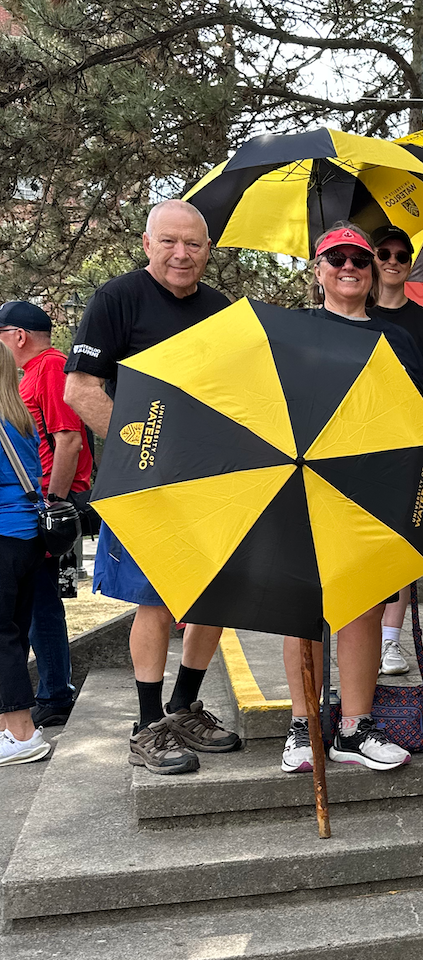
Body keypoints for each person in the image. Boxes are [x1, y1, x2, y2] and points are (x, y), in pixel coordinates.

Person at [64, 199, 240, 774]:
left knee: (214, 596)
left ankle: (185, 706)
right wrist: (144, 452)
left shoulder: (224, 312)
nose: (181, 254)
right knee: (156, 600)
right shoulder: (117, 299)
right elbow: (82, 390)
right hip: (143, 482)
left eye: (193, 244)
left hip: (210, 479)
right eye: (169, 242)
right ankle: (146, 726)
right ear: (147, 245)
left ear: (208, 251)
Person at [279, 222, 423, 776]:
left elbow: (416, 418)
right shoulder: (293, 329)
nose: (348, 267)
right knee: (301, 610)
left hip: (370, 483)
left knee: (364, 606)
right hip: (301, 482)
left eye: (360, 259)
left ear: (373, 272)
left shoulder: (396, 339)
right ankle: (303, 727)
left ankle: (354, 725)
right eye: (336, 258)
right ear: (317, 270)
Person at [0, 301, 92, 727]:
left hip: (48, 504)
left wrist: (51, 503)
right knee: (35, 602)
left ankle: (55, 692)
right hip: (37, 504)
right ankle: (50, 692)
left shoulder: (52, 368)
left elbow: (69, 438)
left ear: (18, 336)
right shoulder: (30, 375)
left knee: (42, 604)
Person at [368, 224, 423, 680]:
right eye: (384, 252)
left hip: (412, 447)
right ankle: (357, 637)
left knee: (402, 547)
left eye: (403, 253)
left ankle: (389, 643)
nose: (394, 260)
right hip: (359, 447)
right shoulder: (354, 313)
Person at [0, 345, 52, 766]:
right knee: (12, 632)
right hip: (26, 537)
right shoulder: (19, 418)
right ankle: (9, 728)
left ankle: (21, 732)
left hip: (1, 534)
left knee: (2, 637)